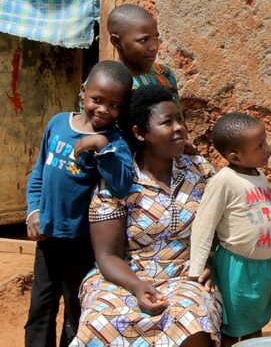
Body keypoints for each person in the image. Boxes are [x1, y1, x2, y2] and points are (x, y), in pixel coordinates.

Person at [71, 85, 221, 347]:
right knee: (99, 319)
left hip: (186, 274)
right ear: (140, 133)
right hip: (126, 276)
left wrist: (210, 261)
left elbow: (225, 223)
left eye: (179, 120)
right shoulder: (120, 181)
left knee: (190, 318)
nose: (179, 128)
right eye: (167, 122)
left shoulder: (199, 170)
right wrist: (138, 287)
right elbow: (107, 256)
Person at [25, 61, 134, 347]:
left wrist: (101, 146)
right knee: (41, 308)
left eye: (114, 105)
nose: (103, 110)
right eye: (97, 100)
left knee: (76, 308)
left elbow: (122, 184)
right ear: (83, 91)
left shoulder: (114, 141)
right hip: (48, 237)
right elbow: (38, 173)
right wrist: (34, 211)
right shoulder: (58, 123)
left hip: (82, 242)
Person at [189, 112, 271, 347]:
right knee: (232, 324)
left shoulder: (258, 175)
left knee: (255, 320)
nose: (267, 149)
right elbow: (204, 224)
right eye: (259, 146)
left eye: (265, 141)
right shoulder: (223, 181)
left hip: (262, 267)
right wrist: (197, 270)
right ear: (235, 157)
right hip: (236, 268)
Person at [79, 4, 180, 110]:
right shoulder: (103, 82)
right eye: (144, 40)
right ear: (117, 42)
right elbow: (89, 123)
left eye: (156, 37)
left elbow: (177, 117)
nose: (154, 47)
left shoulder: (164, 73)